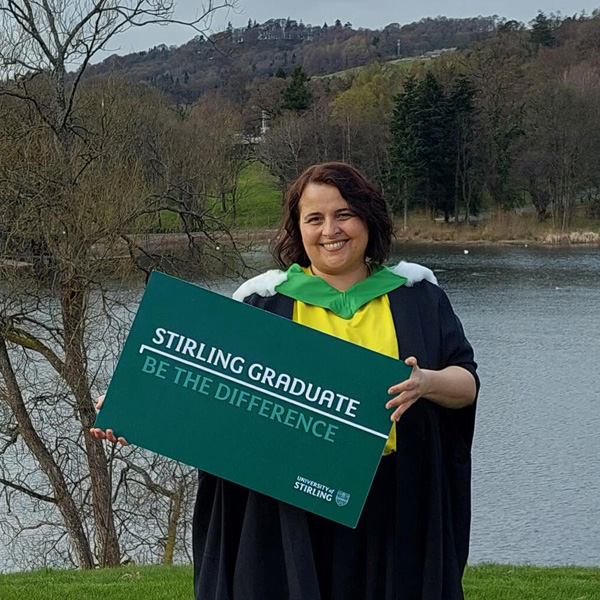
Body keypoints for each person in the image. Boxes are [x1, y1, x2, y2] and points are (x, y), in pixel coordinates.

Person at [92, 162, 479, 600]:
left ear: (368, 218)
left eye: (344, 214)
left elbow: (465, 383)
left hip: (394, 500)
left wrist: (425, 382)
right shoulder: (264, 303)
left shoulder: (417, 297)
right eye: (314, 218)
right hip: (287, 508)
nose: (330, 230)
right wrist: (131, 405)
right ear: (298, 229)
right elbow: (209, 388)